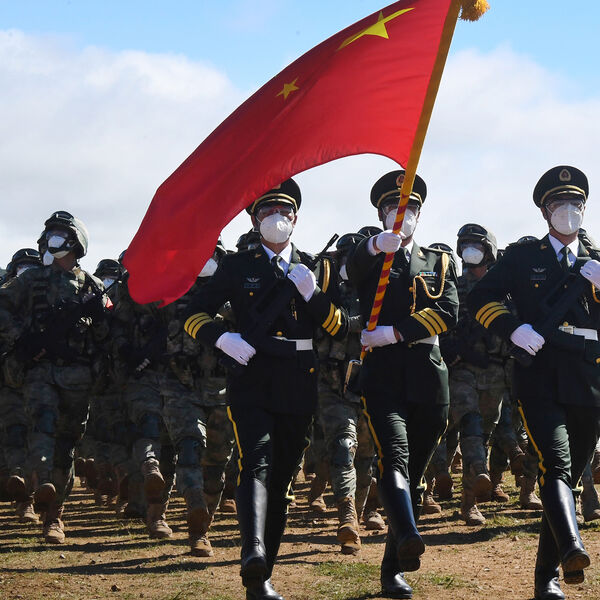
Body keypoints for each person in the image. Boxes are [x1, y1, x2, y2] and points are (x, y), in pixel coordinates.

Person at [184, 178, 348, 600]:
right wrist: (222, 338)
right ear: (254, 220)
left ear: (296, 217)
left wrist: (313, 295)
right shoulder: (238, 266)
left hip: (298, 377)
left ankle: (262, 575)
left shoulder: (317, 267)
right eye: (267, 211)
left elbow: (339, 327)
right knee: (254, 460)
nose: (277, 217)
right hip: (251, 374)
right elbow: (193, 313)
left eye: (284, 211)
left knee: (282, 476)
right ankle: (252, 550)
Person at [467, 166, 600, 600]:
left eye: (576, 203)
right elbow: (480, 298)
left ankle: (547, 576)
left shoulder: (597, 258)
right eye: (560, 204)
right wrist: (512, 328)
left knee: (570, 472)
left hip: (588, 376)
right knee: (555, 464)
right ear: (545, 212)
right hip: (539, 372)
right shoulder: (523, 258)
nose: (569, 210)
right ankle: (572, 547)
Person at [347, 170, 459, 599]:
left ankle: (392, 565)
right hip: (384, 377)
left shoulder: (438, 261)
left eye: (409, 208)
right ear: (381, 215)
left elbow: (448, 312)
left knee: (414, 470)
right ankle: (408, 537)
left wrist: (395, 332)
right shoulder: (370, 257)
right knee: (394, 456)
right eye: (394, 208)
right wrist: (374, 246)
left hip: (429, 376)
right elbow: (349, 268)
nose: (402, 214)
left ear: (419, 214)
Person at [0, 211, 109, 543]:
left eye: (60, 234)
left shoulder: (93, 286)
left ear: (76, 241)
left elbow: (106, 336)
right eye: (50, 234)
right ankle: (42, 482)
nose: (53, 239)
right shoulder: (30, 280)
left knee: (67, 444)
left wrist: (99, 319)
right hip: (40, 370)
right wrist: (21, 339)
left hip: (78, 375)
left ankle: (54, 516)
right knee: (42, 424)